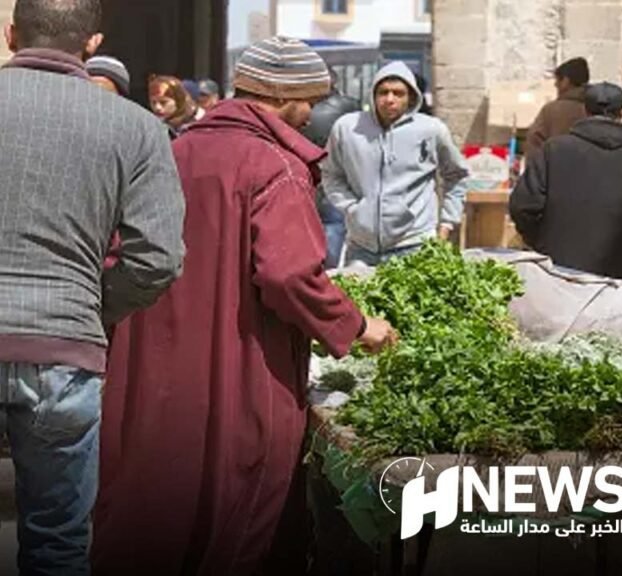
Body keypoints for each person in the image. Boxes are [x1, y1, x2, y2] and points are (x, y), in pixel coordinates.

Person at [91, 37, 397, 576]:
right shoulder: (275, 165)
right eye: (309, 99)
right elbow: (288, 273)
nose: (312, 113)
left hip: (151, 366)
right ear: (281, 95)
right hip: (240, 366)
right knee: (237, 512)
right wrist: (354, 326)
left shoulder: (171, 151)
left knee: (151, 503)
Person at [0, 0, 186, 573]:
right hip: (64, 352)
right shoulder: (137, 127)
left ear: (11, 33)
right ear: (92, 43)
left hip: (63, 338)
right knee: (57, 543)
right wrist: (92, 306)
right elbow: (158, 258)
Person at [509, 82, 622, 280]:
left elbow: (523, 207)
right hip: (621, 278)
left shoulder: (554, 150)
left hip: (559, 274)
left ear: (584, 111)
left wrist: (542, 243)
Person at [322, 61, 469, 267]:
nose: (389, 99)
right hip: (361, 246)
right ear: (373, 95)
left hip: (415, 243)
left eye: (398, 93)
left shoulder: (431, 130)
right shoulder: (347, 128)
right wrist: (351, 207)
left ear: (411, 98)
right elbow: (330, 173)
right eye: (383, 92)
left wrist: (447, 224)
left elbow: (457, 175)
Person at [302, 90, 362, 268]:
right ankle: (328, 269)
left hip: (307, 173)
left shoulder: (302, 108)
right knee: (333, 224)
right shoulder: (348, 106)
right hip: (336, 175)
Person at [525, 57, 589, 157]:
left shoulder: (551, 110)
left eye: (557, 80)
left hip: (555, 165)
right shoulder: (596, 108)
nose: (555, 84)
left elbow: (534, 142)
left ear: (566, 81)